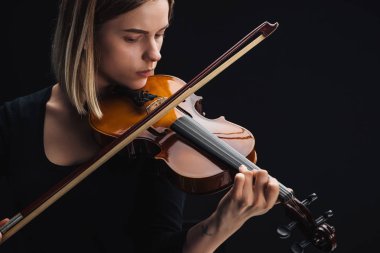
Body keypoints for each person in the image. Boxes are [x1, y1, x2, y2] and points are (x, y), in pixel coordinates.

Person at [0, 0, 280, 252]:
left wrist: (221, 223)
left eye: (160, 34)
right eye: (133, 38)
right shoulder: (11, 124)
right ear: (85, 35)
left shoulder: (162, 128)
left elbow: (160, 246)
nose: (154, 53)